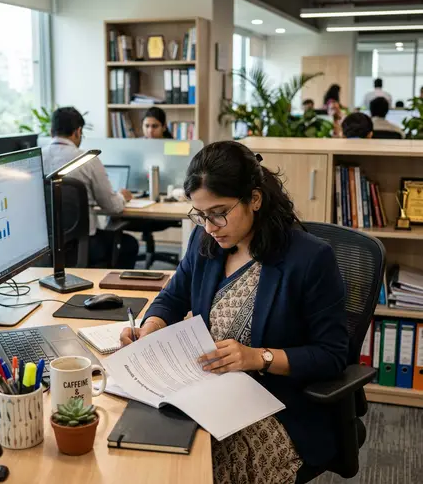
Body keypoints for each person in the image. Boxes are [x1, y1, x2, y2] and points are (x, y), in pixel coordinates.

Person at [120, 141, 348, 484]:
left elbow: (332, 355)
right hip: (206, 390)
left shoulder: (310, 259)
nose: (210, 225)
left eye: (220, 212)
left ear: (254, 199)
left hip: (276, 406)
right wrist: (150, 327)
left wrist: (258, 357)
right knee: (142, 440)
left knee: (196, 465)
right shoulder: (207, 242)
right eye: (201, 214)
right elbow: (172, 297)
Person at [42, 107, 138, 268]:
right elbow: (112, 206)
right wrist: (122, 196)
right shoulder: (87, 160)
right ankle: (111, 290)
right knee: (129, 245)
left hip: (44, 248)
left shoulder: (36, 158)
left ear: (51, 131)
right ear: (78, 131)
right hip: (82, 246)